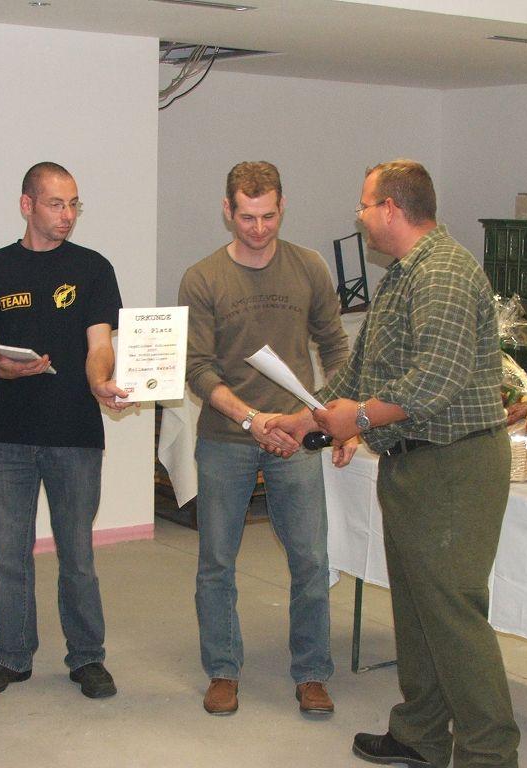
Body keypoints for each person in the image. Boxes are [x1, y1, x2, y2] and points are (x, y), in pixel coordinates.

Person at [271, 159, 520, 766]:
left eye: (363, 204)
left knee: (453, 615)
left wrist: (356, 419)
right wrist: (309, 417)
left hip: (453, 465)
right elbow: (363, 370)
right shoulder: (405, 274)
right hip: (414, 463)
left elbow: (435, 380)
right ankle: (422, 734)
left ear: (391, 208)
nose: (358, 216)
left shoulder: (444, 273)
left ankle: (490, 754)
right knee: (417, 610)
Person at [178, 161, 352, 716]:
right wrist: (251, 419)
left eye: (269, 216)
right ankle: (222, 670)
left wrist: (335, 416)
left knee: (310, 559)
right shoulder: (203, 278)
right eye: (247, 217)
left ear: (282, 207)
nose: (258, 228)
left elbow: (335, 346)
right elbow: (198, 368)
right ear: (227, 210)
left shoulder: (308, 268)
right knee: (216, 560)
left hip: (298, 435)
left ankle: (312, 673)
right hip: (226, 438)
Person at [0, 161, 130, 700]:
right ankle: (11, 656)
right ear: (27, 205)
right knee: (11, 558)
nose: (67, 215)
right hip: (4, 437)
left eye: (74, 204)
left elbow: (100, 344)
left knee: (77, 556)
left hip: (75, 433)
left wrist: (100, 382)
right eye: (57, 204)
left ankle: (87, 658)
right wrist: (3, 367)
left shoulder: (93, 268)